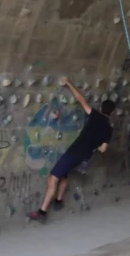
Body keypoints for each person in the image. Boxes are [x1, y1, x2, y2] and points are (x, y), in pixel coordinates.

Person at [27, 77, 114, 223]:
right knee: (64, 174)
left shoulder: (95, 116)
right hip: (84, 156)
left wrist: (68, 83)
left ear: (101, 107)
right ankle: (59, 201)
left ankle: (42, 212)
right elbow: (103, 149)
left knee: (52, 178)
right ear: (112, 112)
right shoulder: (109, 129)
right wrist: (94, 143)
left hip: (75, 152)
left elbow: (80, 99)